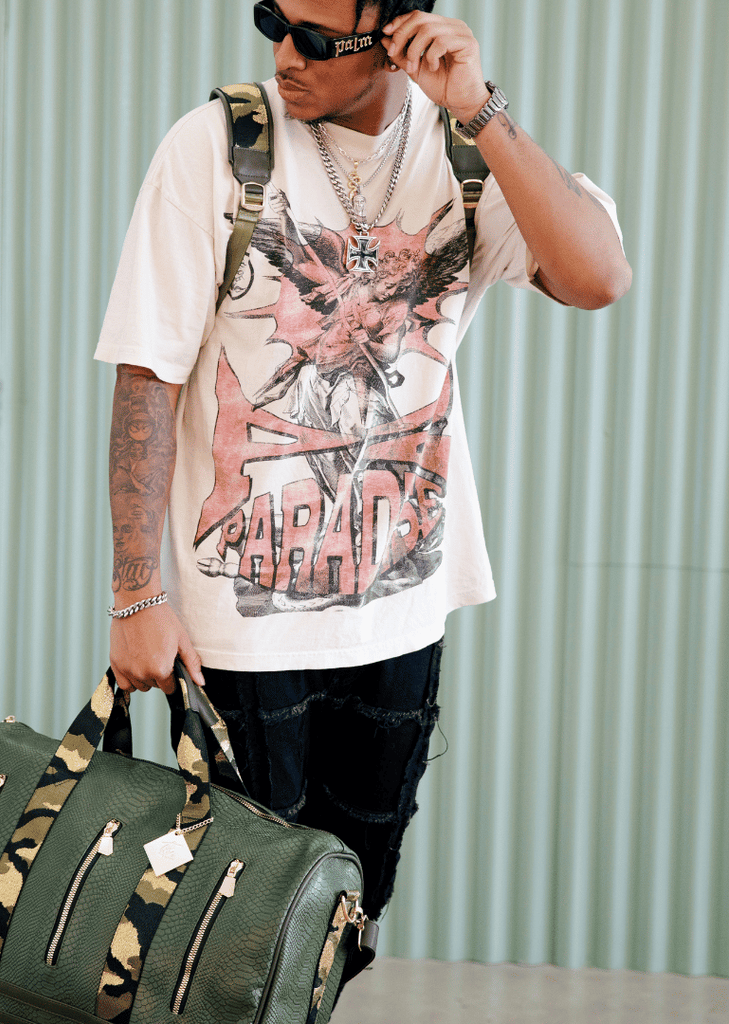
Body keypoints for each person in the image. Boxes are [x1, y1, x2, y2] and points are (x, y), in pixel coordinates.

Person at [94, 0, 631, 926]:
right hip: (241, 632)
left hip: (399, 620)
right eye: (272, 19)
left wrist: (480, 108)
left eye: (311, 37)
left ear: (394, 41)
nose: (283, 53)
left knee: (345, 915)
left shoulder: (465, 153)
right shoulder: (217, 148)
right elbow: (149, 374)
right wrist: (137, 593)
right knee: (223, 923)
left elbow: (598, 278)